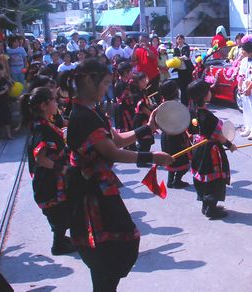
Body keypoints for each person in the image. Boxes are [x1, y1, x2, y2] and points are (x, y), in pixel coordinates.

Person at [62, 59, 173, 290]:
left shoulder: (92, 111)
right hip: (91, 195)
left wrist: (148, 128)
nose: (106, 88)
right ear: (89, 81)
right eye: (104, 83)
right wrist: (152, 157)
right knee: (108, 251)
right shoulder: (81, 117)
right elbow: (111, 151)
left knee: (111, 254)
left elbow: (117, 139)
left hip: (101, 190)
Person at [20, 86, 75, 255]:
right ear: (44, 105)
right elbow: (40, 158)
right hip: (49, 181)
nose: (56, 102)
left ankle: (61, 239)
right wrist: (63, 169)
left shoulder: (45, 123)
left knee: (63, 211)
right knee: (59, 214)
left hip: (52, 179)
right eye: (52, 100)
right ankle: (57, 246)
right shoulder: (41, 129)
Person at [188, 79, 237, 219]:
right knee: (214, 179)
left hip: (197, 148)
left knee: (201, 176)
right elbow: (218, 136)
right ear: (204, 95)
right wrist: (230, 145)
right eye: (209, 90)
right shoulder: (208, 116)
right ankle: (211, 209)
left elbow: (191, 130)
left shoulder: (192, 112)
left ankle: (205, 205)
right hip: (210, 151)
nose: (211, 92)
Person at [160, 80, 190, 188]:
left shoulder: (162, 105)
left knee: (170, 159)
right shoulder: (176, 106)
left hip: (165, 135)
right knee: (182, 161)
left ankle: (170, 181)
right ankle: (177, 181)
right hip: (176, 136)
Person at [238, 41, 252, 140]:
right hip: (244, 88)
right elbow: (241, 74)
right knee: (246, 108)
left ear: (250, 50)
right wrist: (239, 85)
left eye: (243, 50)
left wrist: (249, 88)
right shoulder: (244, 61)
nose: (241, 52)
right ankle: (248, 127)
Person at [0, 63, 13, 139]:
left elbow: (8, 90)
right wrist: (3, 91)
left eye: (0, 70)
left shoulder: (3, 79)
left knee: (7, 118)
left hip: (5, 102)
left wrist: (7, 89)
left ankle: (9, 134)